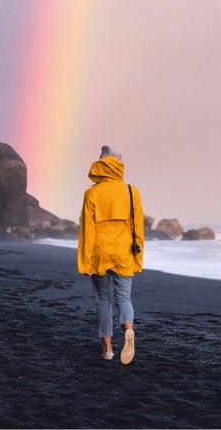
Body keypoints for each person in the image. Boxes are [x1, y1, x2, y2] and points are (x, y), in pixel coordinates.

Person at [77, 145, 144, 365]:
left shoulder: (92, 193)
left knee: (103, 301)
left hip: (99, 254)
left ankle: (107, 349)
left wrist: (84, 263)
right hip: (124, 252)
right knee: (124, 297)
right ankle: (128, 328)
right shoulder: (131, 191)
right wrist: (138, 259)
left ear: (100, 165)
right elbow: (138, 229)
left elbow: (87, 231)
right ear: (118, 165)